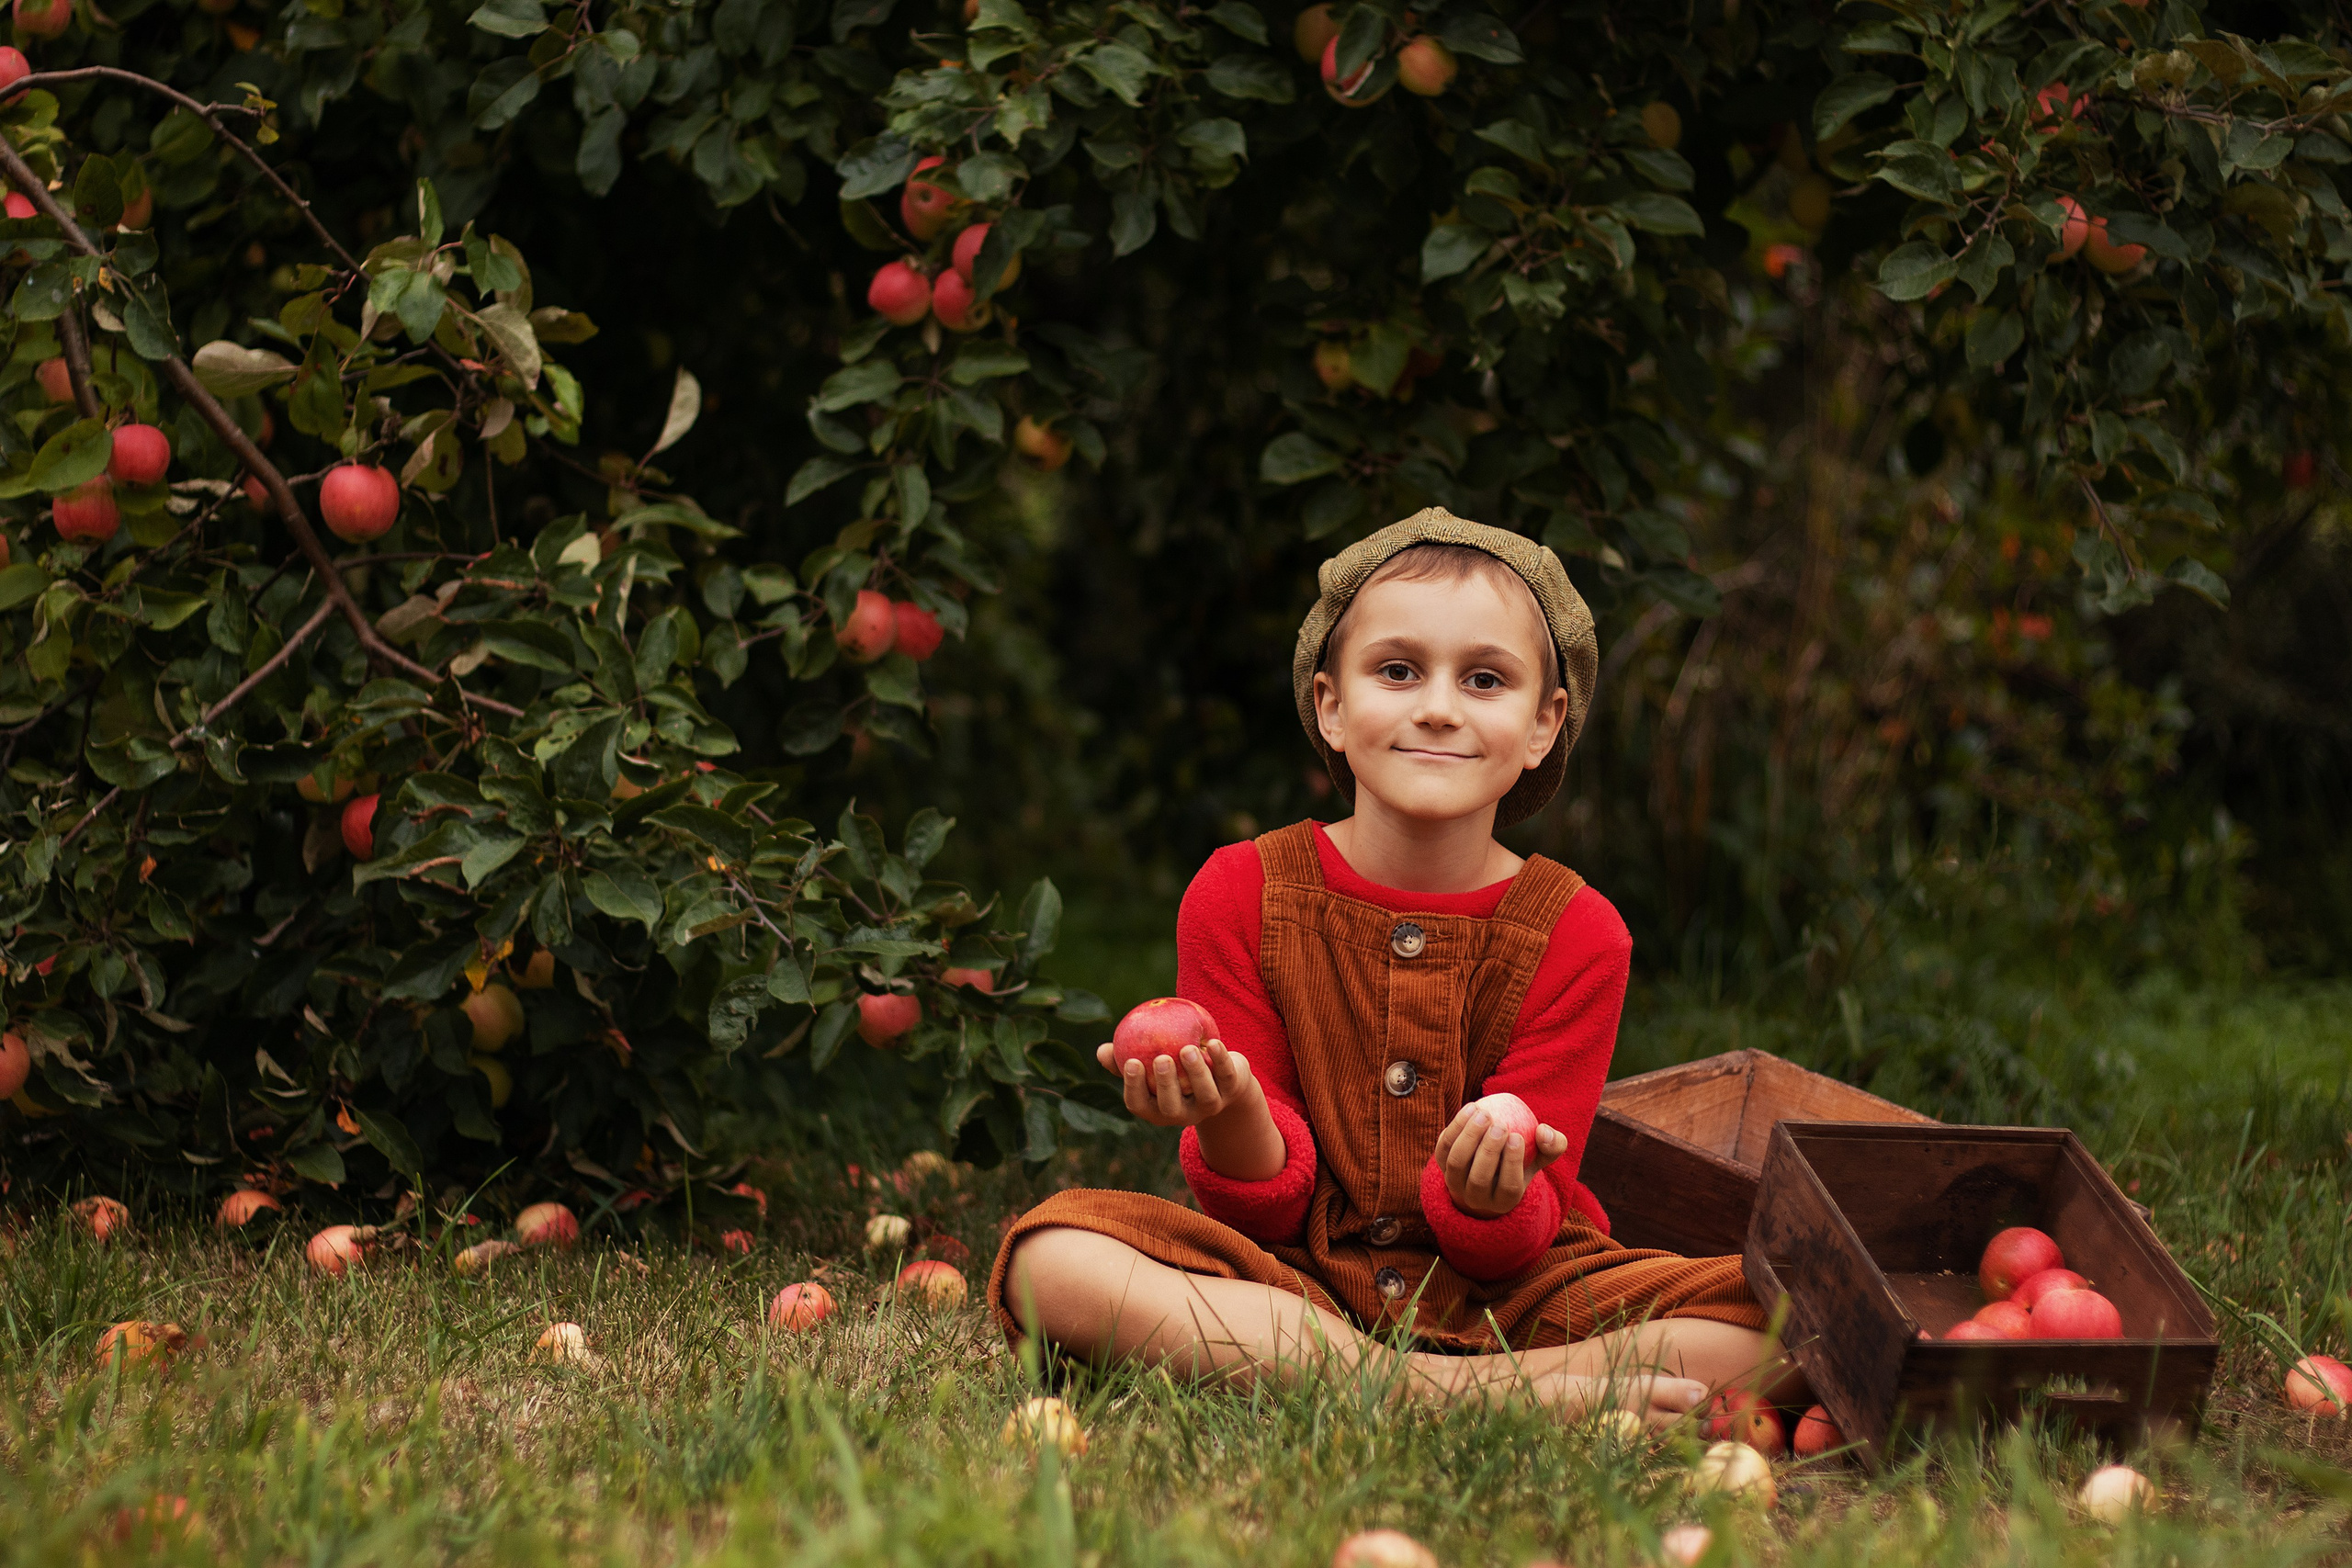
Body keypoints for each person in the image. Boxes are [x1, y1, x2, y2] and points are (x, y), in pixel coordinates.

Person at [988, 509, 1792, 1426]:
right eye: (1397, 670)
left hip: (1518, 1303)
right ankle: (1476, 1401)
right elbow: (1264, 1219)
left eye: (1484, 679)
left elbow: (1517, 1241)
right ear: (1330, 705)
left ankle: (1407, 1387)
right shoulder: (1239, 892)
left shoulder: (1578, 933)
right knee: (1051, 1259)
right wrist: (1229, 1109)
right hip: (1294, 1286)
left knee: (1788, 1316)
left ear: (1543, 724)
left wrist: (1490, 1189)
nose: (1438, 706)